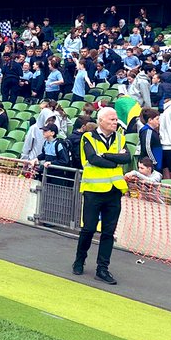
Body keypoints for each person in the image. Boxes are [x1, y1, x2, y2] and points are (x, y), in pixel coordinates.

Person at [72, 107, 130, 286]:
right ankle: (79, 261)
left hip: (114, 191)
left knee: (108, 232)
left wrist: (105, 155)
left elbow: (126, 157)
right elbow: (92, 159)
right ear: (101, 121)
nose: (115, 122)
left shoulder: (120, 137)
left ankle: (102, 268)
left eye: (116, 119)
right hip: (93, 191)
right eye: (112, 119)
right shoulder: (88, 137)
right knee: (88, 228)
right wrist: (114, 159)